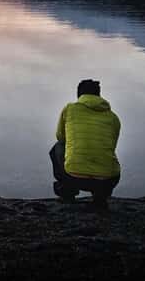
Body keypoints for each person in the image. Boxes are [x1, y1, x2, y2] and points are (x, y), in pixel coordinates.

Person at [50, 79, 121, 207]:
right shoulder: (113, 117)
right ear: (99, 95)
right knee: (103, 150)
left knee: (58, 147)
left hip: (75, 177)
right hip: (108, 181)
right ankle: (100, 197)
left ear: (79, 95)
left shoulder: (70, 109)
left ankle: (67, 193)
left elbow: (60, 137)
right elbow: (112, 146)